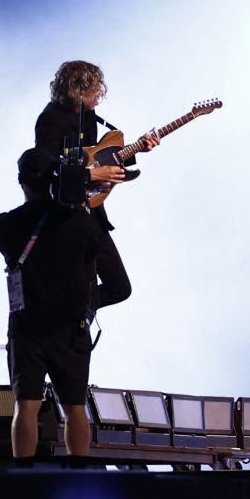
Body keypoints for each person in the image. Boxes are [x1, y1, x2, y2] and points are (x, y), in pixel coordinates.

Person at [0, 149, 103, 466]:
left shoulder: (5, 225)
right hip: (70, 326)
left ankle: (23, 473)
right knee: (74, 407)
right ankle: (79, 470)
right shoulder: (81, 223)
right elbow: (91, 261)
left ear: (20, 181)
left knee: (25, 405)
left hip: (27, 326)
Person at [33, 61, 159, 315]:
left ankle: (70, 309)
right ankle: (68, 315)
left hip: (93, 215)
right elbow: (45, 171)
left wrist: (136, 151)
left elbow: (98, 156)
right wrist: (89, 175)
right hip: (64, 217)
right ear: (79, 90)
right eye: (96, 91)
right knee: (81, 282)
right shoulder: (50, 120)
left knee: (119, 287)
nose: (100, 96)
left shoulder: (89, 117)